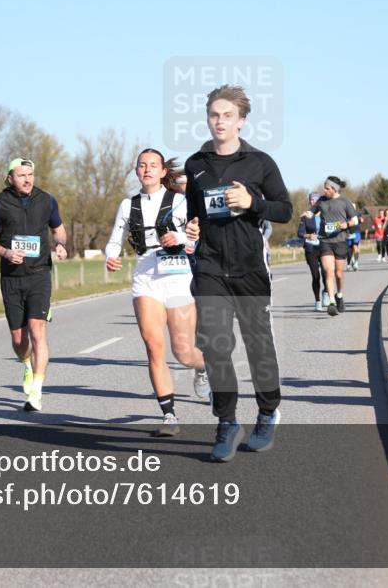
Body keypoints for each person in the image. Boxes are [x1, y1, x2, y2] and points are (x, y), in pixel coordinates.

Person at [183, 84, 293, 461]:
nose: (220, 121)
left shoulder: (260, 163)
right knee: (214, 345)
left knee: (257, 345)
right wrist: (191, 228)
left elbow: (284, 210)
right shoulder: (195, 164)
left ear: (241, 121)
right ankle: (227, 422)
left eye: (228, 116)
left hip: (249, 268)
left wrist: (251, 202)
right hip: (210, 267)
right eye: (214, 115)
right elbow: (193, 213)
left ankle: (267, 413)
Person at [104, 150, 210, 435]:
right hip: (146, 276)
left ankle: (203, 367)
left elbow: (198, 236)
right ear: (136, 171)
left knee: (184, 352)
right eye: (142, 165)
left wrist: (181, 237)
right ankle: (169, 415)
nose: (147, 169)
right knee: (153, 346)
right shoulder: (128, 205)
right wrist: (110, 257)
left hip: (178, 276)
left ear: (163, 172)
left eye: (153, 165)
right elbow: (114, 241)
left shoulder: (180, 201)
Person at [0, 158, 68, 412]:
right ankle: (27, 365)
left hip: (40, 274)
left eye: (30, 174)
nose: (27, 179)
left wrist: (60, 244)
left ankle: (37, 392)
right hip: (11, 277)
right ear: (10, 178)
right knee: (19, 340)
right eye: (22, 175)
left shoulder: (47, 200)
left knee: (37, 329)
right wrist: (6, 253)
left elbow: (59, 229)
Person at [303, 176, 359, 316]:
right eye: (324, 188)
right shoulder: (321, 200)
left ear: (334, 189)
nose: (324, 190)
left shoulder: (344, 201)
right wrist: (307, 214)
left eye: (327, 188)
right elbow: (311, 212)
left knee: (339, 274)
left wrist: (347, 224)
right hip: (325, 241)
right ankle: (332, 302)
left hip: (340, 241)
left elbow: (355, 219)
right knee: (328, 272)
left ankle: (339, 295)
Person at [298, 191, 328, 311]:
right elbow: (300, 233)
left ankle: (326, 292)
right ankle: (317, 301)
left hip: (324, 247)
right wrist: (308, 236)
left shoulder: (326, 214)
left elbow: (333, 227)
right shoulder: (305, 216)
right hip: (311, 248)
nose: (313, 201)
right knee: (316, 276)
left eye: (315, 199)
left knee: (326, 274)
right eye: (311, 199)